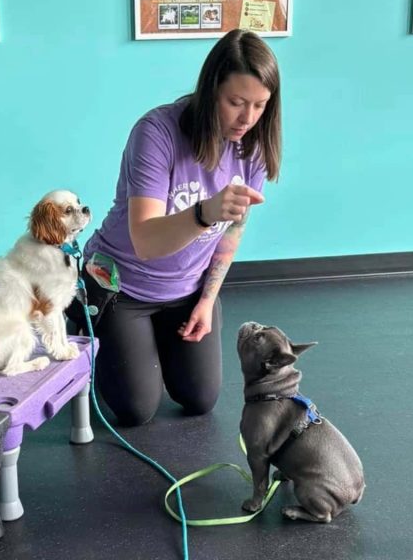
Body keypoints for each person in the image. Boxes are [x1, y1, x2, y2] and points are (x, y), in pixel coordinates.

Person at [79, 29, 282, 426]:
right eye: (236, 102)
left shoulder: (253, 146)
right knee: (136, 411)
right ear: (210, 92)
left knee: (199, 400)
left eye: (260, 106)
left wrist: (207, 300)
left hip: (186, 292)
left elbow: (231, 233)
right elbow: (146, 240)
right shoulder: (156, 133)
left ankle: (153, 337)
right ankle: (91, 320)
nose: (247, 118)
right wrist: (205, 211)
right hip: (122, 285)